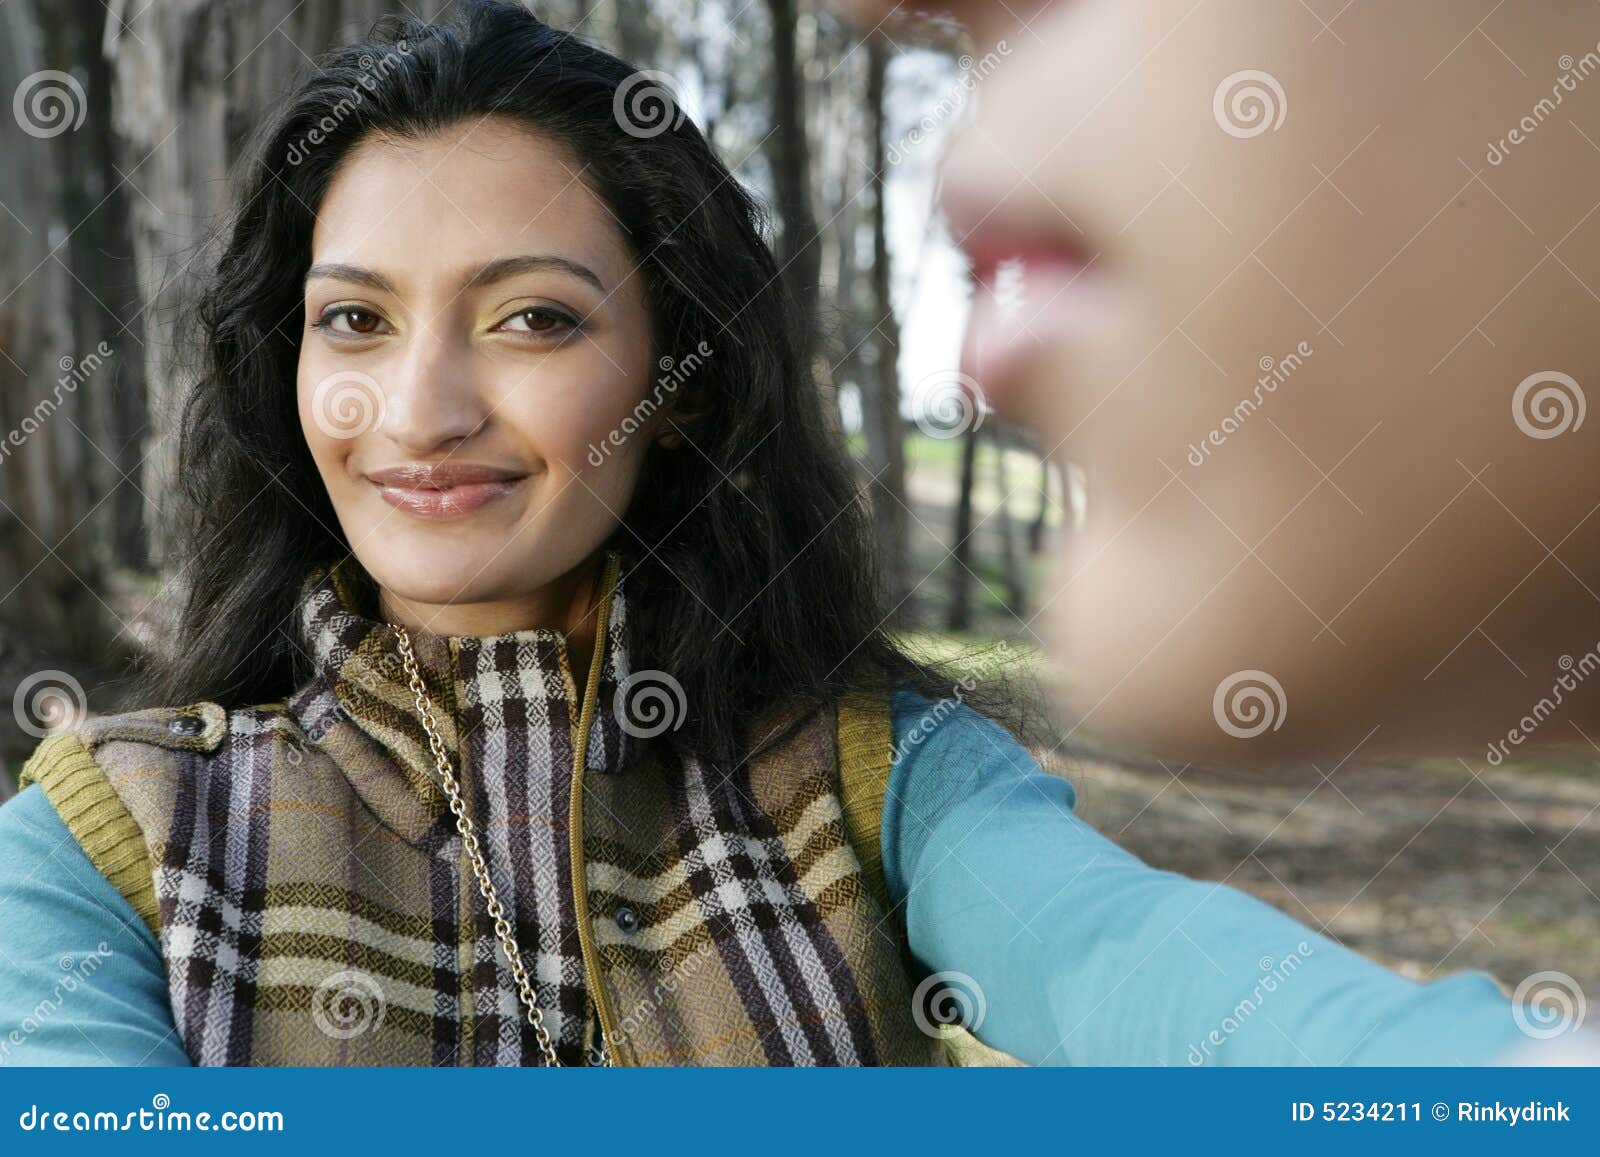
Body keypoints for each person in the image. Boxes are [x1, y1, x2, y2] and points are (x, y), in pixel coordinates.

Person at [0, 0, 1578, 1067]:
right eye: (353, 321)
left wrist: (1519, 1084)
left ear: (674, 382)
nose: (420, 407)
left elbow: (1174, 984)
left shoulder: (879, 779)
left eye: (533, 318)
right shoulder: (109, 834)